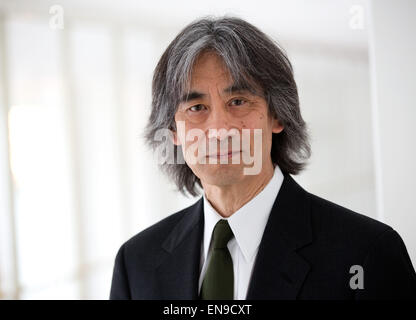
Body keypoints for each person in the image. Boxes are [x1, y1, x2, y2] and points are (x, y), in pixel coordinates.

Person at [110, 16, 416, 300]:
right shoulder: (136, 264)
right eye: (197, 108)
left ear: (277, 115)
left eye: (238, 101)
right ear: (173, 131)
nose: (219, 130)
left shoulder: (366, 254)